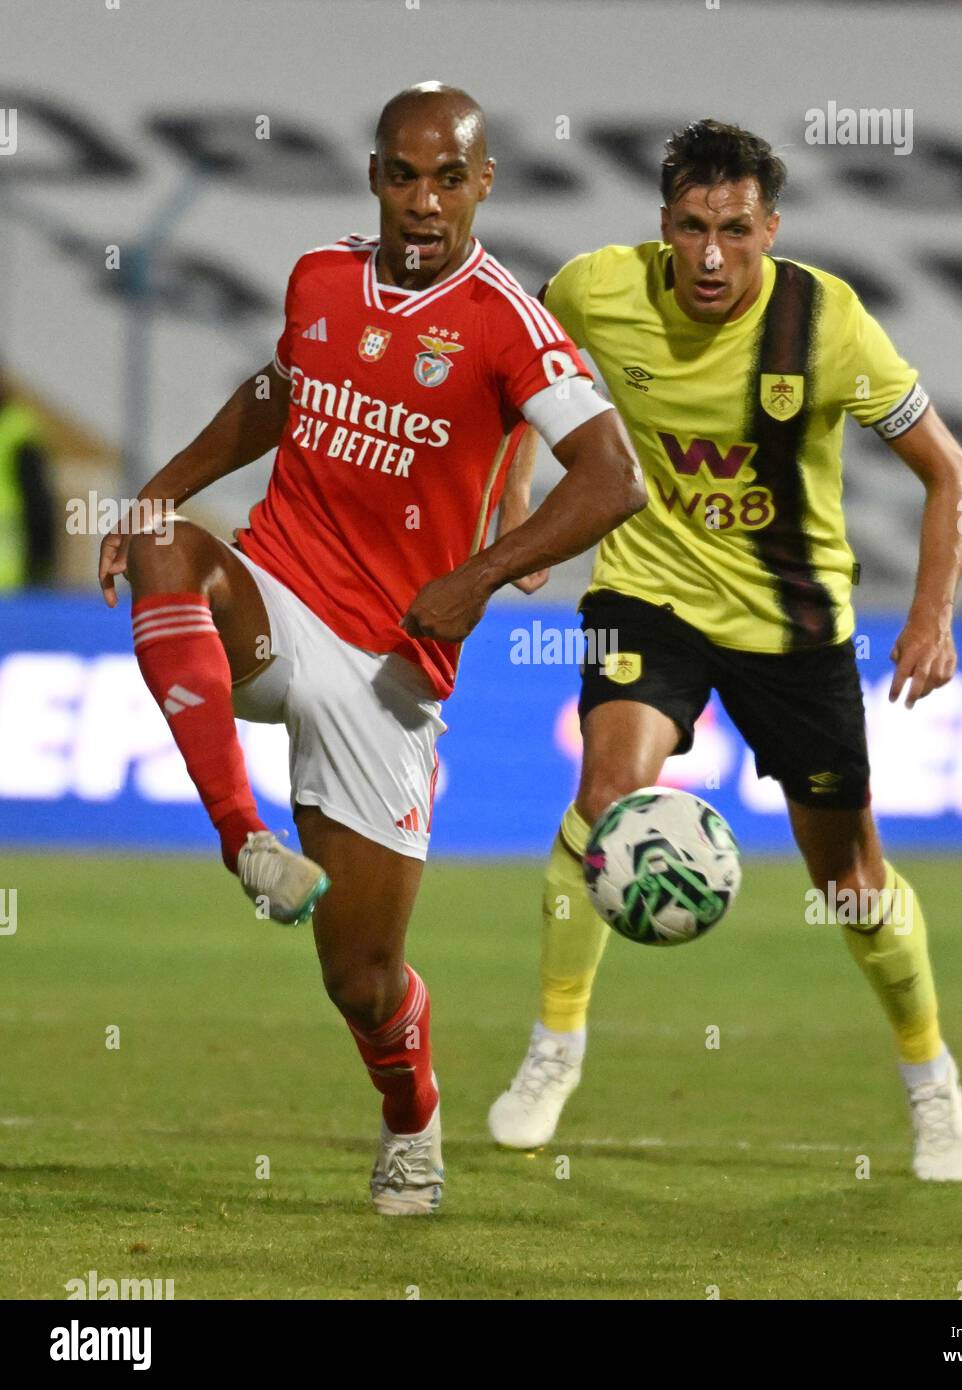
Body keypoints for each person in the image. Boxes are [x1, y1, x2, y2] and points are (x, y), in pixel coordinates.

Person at [97, 83, 644, 1215]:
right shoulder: (320, 278)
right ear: (374, 179)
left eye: (450, 176)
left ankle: (411, 1120)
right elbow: (276, 393)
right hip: (277, 594)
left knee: (360, 977)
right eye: (403, 174)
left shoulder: (506, 321)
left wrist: (484, 570)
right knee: (166, 553)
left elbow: (614, 478)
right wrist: (156, 490)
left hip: (392, 667)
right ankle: (242, 836)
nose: (424, 199)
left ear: (484, 182)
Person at [489, 120, 962, 1181]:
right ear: (663, 225)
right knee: (605, 794)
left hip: (793, 624)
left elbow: (951, 474)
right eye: (691, 229)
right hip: (649, 592)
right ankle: (555, 1045)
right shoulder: (592, 291)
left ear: (771, 228)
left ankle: (929, 1075)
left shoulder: (828, 322)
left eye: (736, 231)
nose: (713, 256)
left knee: (851, 880)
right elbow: (508, 388)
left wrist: (931, 614)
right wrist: (521, 507)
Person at [0, 372, 56, 589]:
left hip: (9, 577)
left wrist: (41, 560)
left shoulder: (17, 432)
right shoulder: (18, 429)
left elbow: (37, 502)